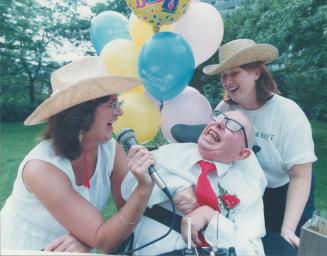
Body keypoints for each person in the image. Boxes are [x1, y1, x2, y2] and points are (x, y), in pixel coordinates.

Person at [0, 56, 155, 253]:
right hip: (28, 247)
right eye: (112, 104)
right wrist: (142, 190)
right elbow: (106, 241)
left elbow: (129, 216)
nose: (120, 113)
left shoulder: (110, 148)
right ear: (83, 113)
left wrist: (88, 239)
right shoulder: (41, 168)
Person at [202, 39, 317, 250]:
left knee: (288, 247)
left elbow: (300, 176)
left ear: (256, 72)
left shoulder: (288, 113)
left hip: (286, 192)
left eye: (234, 73)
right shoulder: (223, 109)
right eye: (223, 76)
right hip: (246, 193)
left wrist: (288, 228)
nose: (227, 81)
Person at [121, 110, 267, 255]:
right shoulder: (167, 153)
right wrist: (174, 185)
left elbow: (253, 252)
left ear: (242, 154)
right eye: (219, 116)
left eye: (234, 126)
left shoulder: (248, 189)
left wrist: (211, 219)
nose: (220, 123)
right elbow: (127, 190)